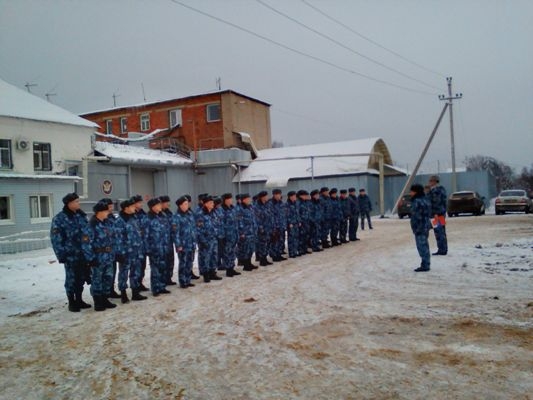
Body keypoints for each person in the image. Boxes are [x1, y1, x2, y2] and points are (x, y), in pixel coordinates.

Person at [50, 192, 91, 312]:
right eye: (76, 202)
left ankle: (79, 299)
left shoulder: (81, 216)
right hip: (70, 255)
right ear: (69, 203)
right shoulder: (60, 218)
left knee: (82, 277)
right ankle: (72, 302)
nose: (79, 203)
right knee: (71, 278)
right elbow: (56, 239)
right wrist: (61, 255)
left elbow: (88, 234)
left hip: (83, 253)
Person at [81, 201, 118, 311]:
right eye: (106, 210)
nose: (108, 212)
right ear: (100, 212)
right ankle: (98, 301)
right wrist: (91, 259)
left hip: (108, 256)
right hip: (98, 257)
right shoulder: (91, 225)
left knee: (108, 278)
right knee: (97, 280)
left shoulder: (107, 223)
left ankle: (105, 298)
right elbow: (85, 244)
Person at [114, 199, 147, 302]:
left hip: (136, 251)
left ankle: (135, 292)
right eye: (132, 206)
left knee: (135, 272)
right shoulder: (119, 221)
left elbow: (138, 234)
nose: (135, 208)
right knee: (123, 273)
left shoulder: (134, 218)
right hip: (126, 252)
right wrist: (120, 253)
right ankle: (123, 293)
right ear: (126, 208)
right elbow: (118, 239)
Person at [145, 198, 171, 296]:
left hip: (163, 247)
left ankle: (162, 286)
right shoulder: (147, 218)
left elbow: (167, 231)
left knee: (163, 267)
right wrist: (148, 249)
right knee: (155, 269)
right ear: (153, 207)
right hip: (154, 248)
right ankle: (155, 288)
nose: (161, 206)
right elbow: (146, 236)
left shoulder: (162, 216)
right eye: (159, 205)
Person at [196, 195, 223, 282]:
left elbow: (217, 224)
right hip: (205, 240)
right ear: (206, 204)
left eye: (213, 202)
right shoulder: (200, 215)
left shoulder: (213, 213)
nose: (213, 204)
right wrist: (203, 241)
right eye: (211, 203)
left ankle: (212, 272)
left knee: (213, 257)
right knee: (205, 258)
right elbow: (198, 230)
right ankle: (206, 274)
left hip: (213, 239)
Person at [172, 196, 197, 288]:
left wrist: (195, 240)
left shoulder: (189, 214)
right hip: (183, 244)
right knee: (183, 263)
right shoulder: (176, 217)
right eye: (185, 204)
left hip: (191, 243)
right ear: (180, 205)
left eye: (187, 204)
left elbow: (193, 228)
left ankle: (188, 279)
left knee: (190, 262)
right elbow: (175, 233)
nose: (187, 205)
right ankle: (183, 281)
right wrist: (178, 245)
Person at [409, 184, 432, 272]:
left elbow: (416, 216)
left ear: (415, 192)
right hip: (426, 225)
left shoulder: (416, 201)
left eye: (411, 191)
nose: (410, 193)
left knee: (422, 246)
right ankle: (426, 263)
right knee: (425, 245)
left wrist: (415, 227)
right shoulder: (426, 200)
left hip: (419, 227)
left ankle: (425, 264)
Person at [219, 193, 241, 277]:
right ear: (225, 200)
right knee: (227, 252)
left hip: (234, 234)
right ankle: (228, 269)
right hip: (227, 235)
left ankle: (232, 267)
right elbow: (220, 224)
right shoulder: (222, 210)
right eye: (229, 199)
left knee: (233, 252)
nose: (231, 200)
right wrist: (223, 236)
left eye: (231, 199)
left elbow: (236, 221)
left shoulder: (233, 208)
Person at [131, 194, 150, 292]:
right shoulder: (131, 214)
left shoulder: (143, 214)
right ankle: (135, 286)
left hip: (143, 244)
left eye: (141, 202)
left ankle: (140, 282)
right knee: (135, 267)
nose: (141, 204)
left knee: (142, 265)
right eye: (139, 202)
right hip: (134, 246)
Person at [236, 193, 258, 271]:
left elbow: (253, 218)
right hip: (246, 232)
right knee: (245, 249)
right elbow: (239, 221)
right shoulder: (240, 209)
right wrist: (242, 232)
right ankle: (246, 265)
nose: (250, 200)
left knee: (251, 249)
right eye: (248, 199)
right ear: (244, 200)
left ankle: (249, 263)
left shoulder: (250, 207)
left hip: (252, 231)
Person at [428, 175, 448, 255]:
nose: (429, 183)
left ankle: (442, 249)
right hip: (441, 213)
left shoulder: (435, 191)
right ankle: (443, 249)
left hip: (436, 214)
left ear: (434, 181)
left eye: (431, 181)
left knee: (439, 232)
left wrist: (435, 213)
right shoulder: (441, 190)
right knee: (442, 231)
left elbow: (436, 202)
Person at [286, 191, 301, 258]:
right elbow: (286, 215)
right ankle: (291, 253)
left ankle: (295, 251)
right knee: (291, 238)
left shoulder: (296, 203)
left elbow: (298, 213)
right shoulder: (287, 204)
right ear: (290, 197)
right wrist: (289, 223)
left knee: (296, 237)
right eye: (294, 196)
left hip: (296, 223)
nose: (295, 197)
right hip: (291, 224)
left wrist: (299, 221)